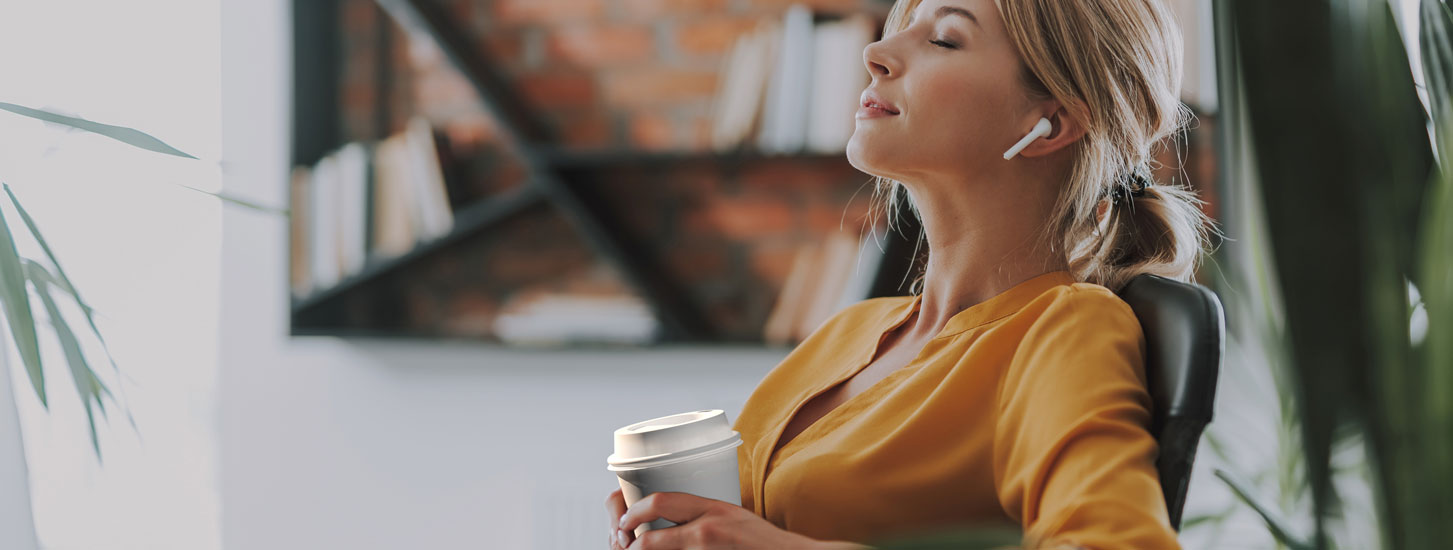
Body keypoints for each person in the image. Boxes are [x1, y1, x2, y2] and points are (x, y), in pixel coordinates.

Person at [606, 0, 1215, 548]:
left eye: (944, 39)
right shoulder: (846, 334)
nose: (874, 53)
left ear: (1049, 124)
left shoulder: (1063, 331)